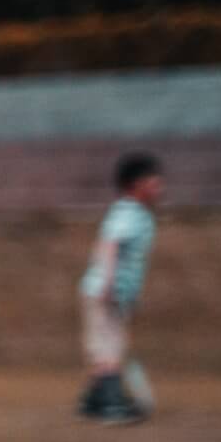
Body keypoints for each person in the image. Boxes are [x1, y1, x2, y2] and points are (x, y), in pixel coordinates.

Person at [77, 152, 164, 424]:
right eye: (154, 182)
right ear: (136, 185)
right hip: (106, 291)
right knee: (111, 349)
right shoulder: (130, 213)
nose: (159, 188)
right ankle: (111, 406)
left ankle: (93, 400)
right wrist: (109, 283)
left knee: (105, 346)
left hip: (109, 291)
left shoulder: (130, 213)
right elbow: (109, 244)